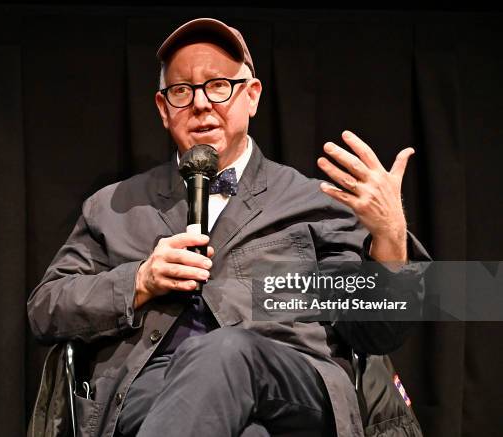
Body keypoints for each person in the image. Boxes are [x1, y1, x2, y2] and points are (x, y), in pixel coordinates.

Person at [27, 18, 430, 437]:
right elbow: (45, 310)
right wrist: (140, 281)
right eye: (182, 91)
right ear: (164, 110)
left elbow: (377, 332)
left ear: (252, 96)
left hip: (288, 385)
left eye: (218, 85)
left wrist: (390, 235)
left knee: (224, 352)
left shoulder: (315, 202)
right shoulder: (113, 206)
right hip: (153, 395)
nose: (201, 104)